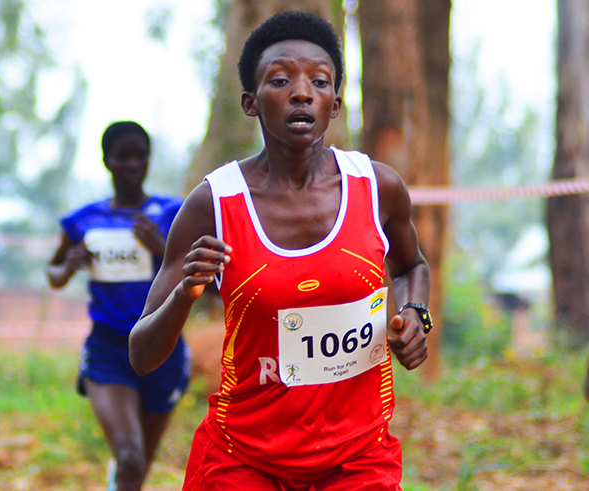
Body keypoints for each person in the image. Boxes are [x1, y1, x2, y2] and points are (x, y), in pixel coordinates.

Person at [129, 11, 431, 491]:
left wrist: (415, 312)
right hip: (244, 459)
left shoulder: (378, 187)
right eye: (280, 79)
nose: (301, 91)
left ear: (333, 103)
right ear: (251, 103)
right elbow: (142, 354)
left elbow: (411, 265)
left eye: (319, 80)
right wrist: (187, 291)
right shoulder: (215, 204)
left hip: (358, 458)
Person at [46, 121, 190, 491]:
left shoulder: (174, 213)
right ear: (107, 161)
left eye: (140, 156)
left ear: (148, 161)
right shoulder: (84, 219)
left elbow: (201, 278)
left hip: (163, 349)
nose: (132, 164)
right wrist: (70, 264)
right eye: (122, 156)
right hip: (109, 349)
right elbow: (54, 273)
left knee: (137, 470)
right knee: (129, 457)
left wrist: (160, 245)